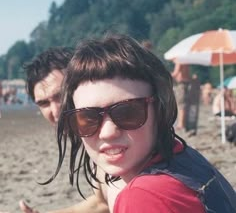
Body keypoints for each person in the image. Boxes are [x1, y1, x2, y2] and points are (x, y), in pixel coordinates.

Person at [52, 34, 236, 212]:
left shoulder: (143, 196)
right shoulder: (184, 156)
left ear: (160, 110)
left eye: (128, 112)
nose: (107, 132)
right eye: (88, 118)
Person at [0, 47, 112, 213]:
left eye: (61, 96)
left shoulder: (112, 135)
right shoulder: (92, 138)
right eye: (44, 103)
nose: (55, 111)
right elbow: (102, 202)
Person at [171, 62, 190, 130]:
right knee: (183, 104)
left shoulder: (180, 60)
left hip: (181, 84)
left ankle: (181, 124)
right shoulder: (185, 60)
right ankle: (182, 123)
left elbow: (175, 73)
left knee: (181, 105)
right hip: (186, 83)